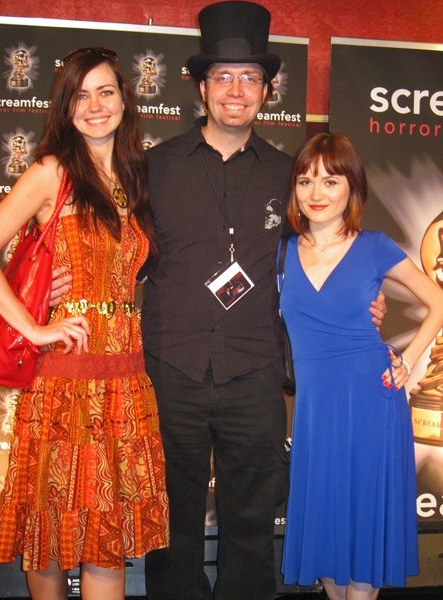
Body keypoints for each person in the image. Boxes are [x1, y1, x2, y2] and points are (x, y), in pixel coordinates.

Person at [140, 4, 387, 600]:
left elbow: (329, 251)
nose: (236, 90)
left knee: (252, 519)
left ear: (267, 90)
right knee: (170, 518)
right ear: (202, 87)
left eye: (249, 77)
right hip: (170, 369)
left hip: (254, 369)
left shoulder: (289, 176)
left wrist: (363, 301)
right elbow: (121, 255)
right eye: (223, 77)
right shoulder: (154, 167)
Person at [0, 47, 169, 600]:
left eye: (106, 92)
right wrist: (35, 326)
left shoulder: (134, 176)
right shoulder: (52, 172)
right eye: (81, 95)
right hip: (64, 380)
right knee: (49, 529)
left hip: (124, 379)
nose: (95, 106)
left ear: (124, 100)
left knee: (105, 536)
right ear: (65, 108)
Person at [280, 132, 443, 600]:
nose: (316, 193)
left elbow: (438, 303)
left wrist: (408, 359)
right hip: (316, 413)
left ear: (352, 186)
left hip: (371, 401)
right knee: (327, 535)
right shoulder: (281, 252)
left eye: (330, 181)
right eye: (306, 181)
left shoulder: (375, 247)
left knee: (364, 530)